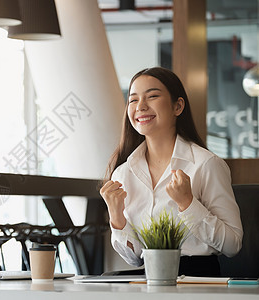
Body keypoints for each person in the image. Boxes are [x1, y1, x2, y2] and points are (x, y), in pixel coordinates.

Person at [100, 67, 243, 276]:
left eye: (152, 96)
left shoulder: (206, 164)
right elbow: (134, 259)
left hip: (198, 280)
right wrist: (117, 218)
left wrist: (188, 204)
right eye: (133, 100)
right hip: (150, 279)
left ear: (178, 106)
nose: (140, 106)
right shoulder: (123, 174)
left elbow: (233, 245)